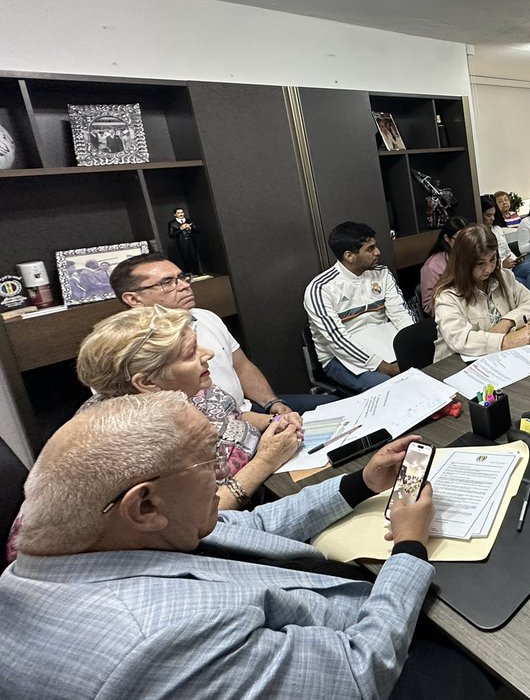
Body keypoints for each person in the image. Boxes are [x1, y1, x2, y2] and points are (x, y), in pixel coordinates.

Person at [0, 393, 492, 699]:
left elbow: (249, 527)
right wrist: (408, 548)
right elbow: (358, 670)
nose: (225, 475)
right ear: (144, 505)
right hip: (367, 660)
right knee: (470, 671)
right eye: (209, 466)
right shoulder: (153, 644)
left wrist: (357, 485)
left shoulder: (98, 535)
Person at [76, 306, 301, 510]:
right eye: (191, 352)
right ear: (147, 382)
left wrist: (275, 422)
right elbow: (200, 518)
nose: (208, 354)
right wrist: (266, 461)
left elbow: (231, 417)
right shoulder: (137, 445)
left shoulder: (181, 389)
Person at [111, 253, 331, 414]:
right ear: (133, 299)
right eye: (167, 282)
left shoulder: (205, 317)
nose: (184, 286)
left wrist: (272, 403)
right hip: (205, 431)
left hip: (246, 409)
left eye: (182, 277)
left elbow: (241, 365)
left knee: (333, 405)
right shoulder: (126, 349)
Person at [304, 222, 416, 393]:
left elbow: (401, 313)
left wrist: (413, 347)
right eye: (370, 249)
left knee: (429, 367)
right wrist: (385, 367)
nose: (378, 252)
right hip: (341, 357)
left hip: (384, 342)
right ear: (350, 256)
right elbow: (338, 341)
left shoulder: (382, 273)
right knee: (392, 387)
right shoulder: (320, 289)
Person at [432, 225, 530, 362]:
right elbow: (460, 339)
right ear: (463, 263)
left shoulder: (503, 277)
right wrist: (505, 342)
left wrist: (507, 322)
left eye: (492, 259)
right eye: (480, 264)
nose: (489, 269)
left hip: (499, 358)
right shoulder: (447, 296)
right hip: (457, 366)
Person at [419, 216, 469, 314]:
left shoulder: (469, 255)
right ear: (447, 238)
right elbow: (428, 306)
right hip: (449, 312)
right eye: (459, 239)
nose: (464, 244)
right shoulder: (433, 266)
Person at [167, 206, 201, 274]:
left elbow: (197, 230)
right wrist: (181, 229)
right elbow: (171, 234)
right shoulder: (172, 223)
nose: (181, 214)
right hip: (181, 242)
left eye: (182, 212)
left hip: (191, 241)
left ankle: (197, 272)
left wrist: (190, 228)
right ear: (175, 215)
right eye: (178, 213)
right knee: (185, 258)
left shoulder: (189, 220)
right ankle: (189, 272)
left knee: (194, 257)